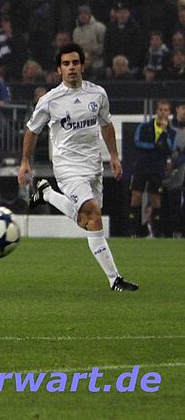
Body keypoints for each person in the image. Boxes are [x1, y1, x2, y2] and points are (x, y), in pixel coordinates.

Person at [20, 43, 138, 292]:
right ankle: (114, 279)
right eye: (66, 64)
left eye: (75, 62)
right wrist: (25, 162)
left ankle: (47, 194)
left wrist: (114, 156)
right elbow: (32, 131)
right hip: (67, 167)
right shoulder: (50, 100)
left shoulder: (98, 94)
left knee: (87, 220)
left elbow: (106, 124)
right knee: (93, 214)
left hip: (93, 166)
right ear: (59, 70)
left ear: (82, 66)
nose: (71, 67)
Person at [128, 100, 176, 237]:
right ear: (156, 111)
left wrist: (164, 132)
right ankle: (136, 231)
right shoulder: (144, 127)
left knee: (156, 199)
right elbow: (137, 142)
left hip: (157, 169)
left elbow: (170, 148)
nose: (163, 113)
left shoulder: (171, 132)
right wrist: (155, 146)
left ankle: (156, 232)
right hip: (142, 166)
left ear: (169, 113)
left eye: (166, 110)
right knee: (136, 196)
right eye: (160, 109)